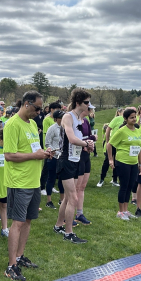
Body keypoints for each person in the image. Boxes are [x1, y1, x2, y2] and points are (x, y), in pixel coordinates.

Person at [3, 91, 52, 281]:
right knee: (18, 222)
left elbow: (33, 149)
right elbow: (9, 155)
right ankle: (11, 266)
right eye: (37, 108)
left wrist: (44, 152)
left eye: (41, 109)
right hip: (19, 181)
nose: (39, 113)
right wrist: (35, 156)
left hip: (33, 180)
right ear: (26, 104)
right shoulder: (12, 124)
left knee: (28, 220)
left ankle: (19, 256)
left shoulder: (32, 124)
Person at [53, 88, 93, 243]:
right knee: (73, 198)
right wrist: (86, 144)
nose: (89, 105)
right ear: (78, 103)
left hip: (75, 160)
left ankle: (58, 225)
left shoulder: (80, 119)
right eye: (86, 102)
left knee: (69, 198)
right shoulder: (68, 117)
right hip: (66, 160)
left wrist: (87, 143)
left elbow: (79, 140)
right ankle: (68, 233)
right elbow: (71, 138)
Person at [107, 108, 141, 221]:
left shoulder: (137, 130)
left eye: (135, 117)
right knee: (124, 186)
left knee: (130, 186)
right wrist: (110, 159)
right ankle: (120, 211)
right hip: (123, 162)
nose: (134, 119)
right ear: (126, 119)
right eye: (131, 117)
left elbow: (139, 148)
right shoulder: (121, 131)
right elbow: (110, 144)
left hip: (134, 163)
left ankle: (126, 210)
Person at [98, 107, 128, 187]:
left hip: (121, 145)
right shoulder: (117, 119)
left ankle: (114, 180)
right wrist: (108, 141)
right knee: (107, 161)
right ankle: (101, 179)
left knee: (117, 162)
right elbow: (108, 129)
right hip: (114, 143)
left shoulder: (129, 121)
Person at [44, 110, 65, 209]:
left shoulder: (66, 128)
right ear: (56, 119)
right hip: (54, 157)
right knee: (51, 178)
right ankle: (49, 201)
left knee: (62, 179)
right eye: (61, 117)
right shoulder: (52, 128)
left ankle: (62, 200)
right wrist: (54, 151)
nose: (63, 118)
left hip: (63, 157)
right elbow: (47, 143)